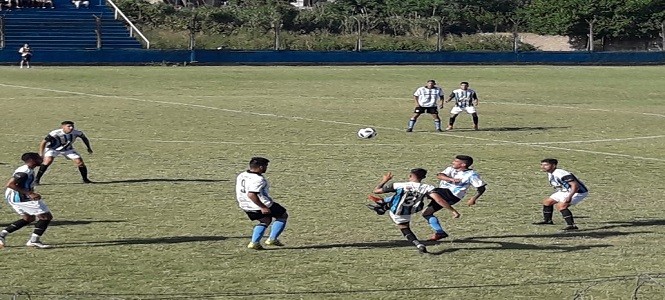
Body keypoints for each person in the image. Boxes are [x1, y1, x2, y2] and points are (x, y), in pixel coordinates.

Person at [367, 169, 460, 253]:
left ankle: (382, 207)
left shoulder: (400, 185)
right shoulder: (428, 187)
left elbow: (376, 190)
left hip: (396, 211)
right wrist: (453, 211)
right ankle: (383, 205)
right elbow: (439, 200)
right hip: (409, 211)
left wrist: (385, 180)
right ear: (423, 177)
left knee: (404, 228)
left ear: (410, 176)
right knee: (406, 219)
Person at [421, 155, 486, 241]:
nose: (453, 162)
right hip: (440, 193)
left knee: (424, 190)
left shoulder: (472, 175)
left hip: (452, 195)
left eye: (456, 161)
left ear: (463, 164)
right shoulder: (450, 169)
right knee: (426, 213)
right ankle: (440, 232)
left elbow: (481, 188)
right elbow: (439, 175)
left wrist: (474, 198)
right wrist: (451, 179)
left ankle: (406, 207)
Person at [0, 153, 53, 249]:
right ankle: (34, 241)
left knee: (28, 218)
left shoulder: (29, 169)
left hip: (15, 196)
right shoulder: (24, 171)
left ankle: (2, 234)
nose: (41, 158)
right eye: (37, 157)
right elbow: (10, 184)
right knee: (45, 216)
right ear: (32, 160)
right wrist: (29, 193)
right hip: (20, 197)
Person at [235, 157, 288, 250]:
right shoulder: (258, 179)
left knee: (265, 220)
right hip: (260, 204)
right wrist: (263, 207)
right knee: (283, 215)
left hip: (245, 204)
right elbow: (251, 194)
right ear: (260, 167)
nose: (266, 168)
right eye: (266, 166)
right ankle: (272, 239)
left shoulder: (242, 175)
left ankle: (254, 243)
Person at [533, 158, 589, 230]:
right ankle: (548, 220)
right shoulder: (551, 172)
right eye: (542, 165)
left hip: (577, 192)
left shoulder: (560, 173)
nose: (543, 167)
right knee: (547, 202)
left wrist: (570, 196)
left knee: (561, 206)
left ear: (553, 165)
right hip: (564, 191)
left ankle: (572, 225)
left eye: (546, 165)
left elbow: (575, 186)